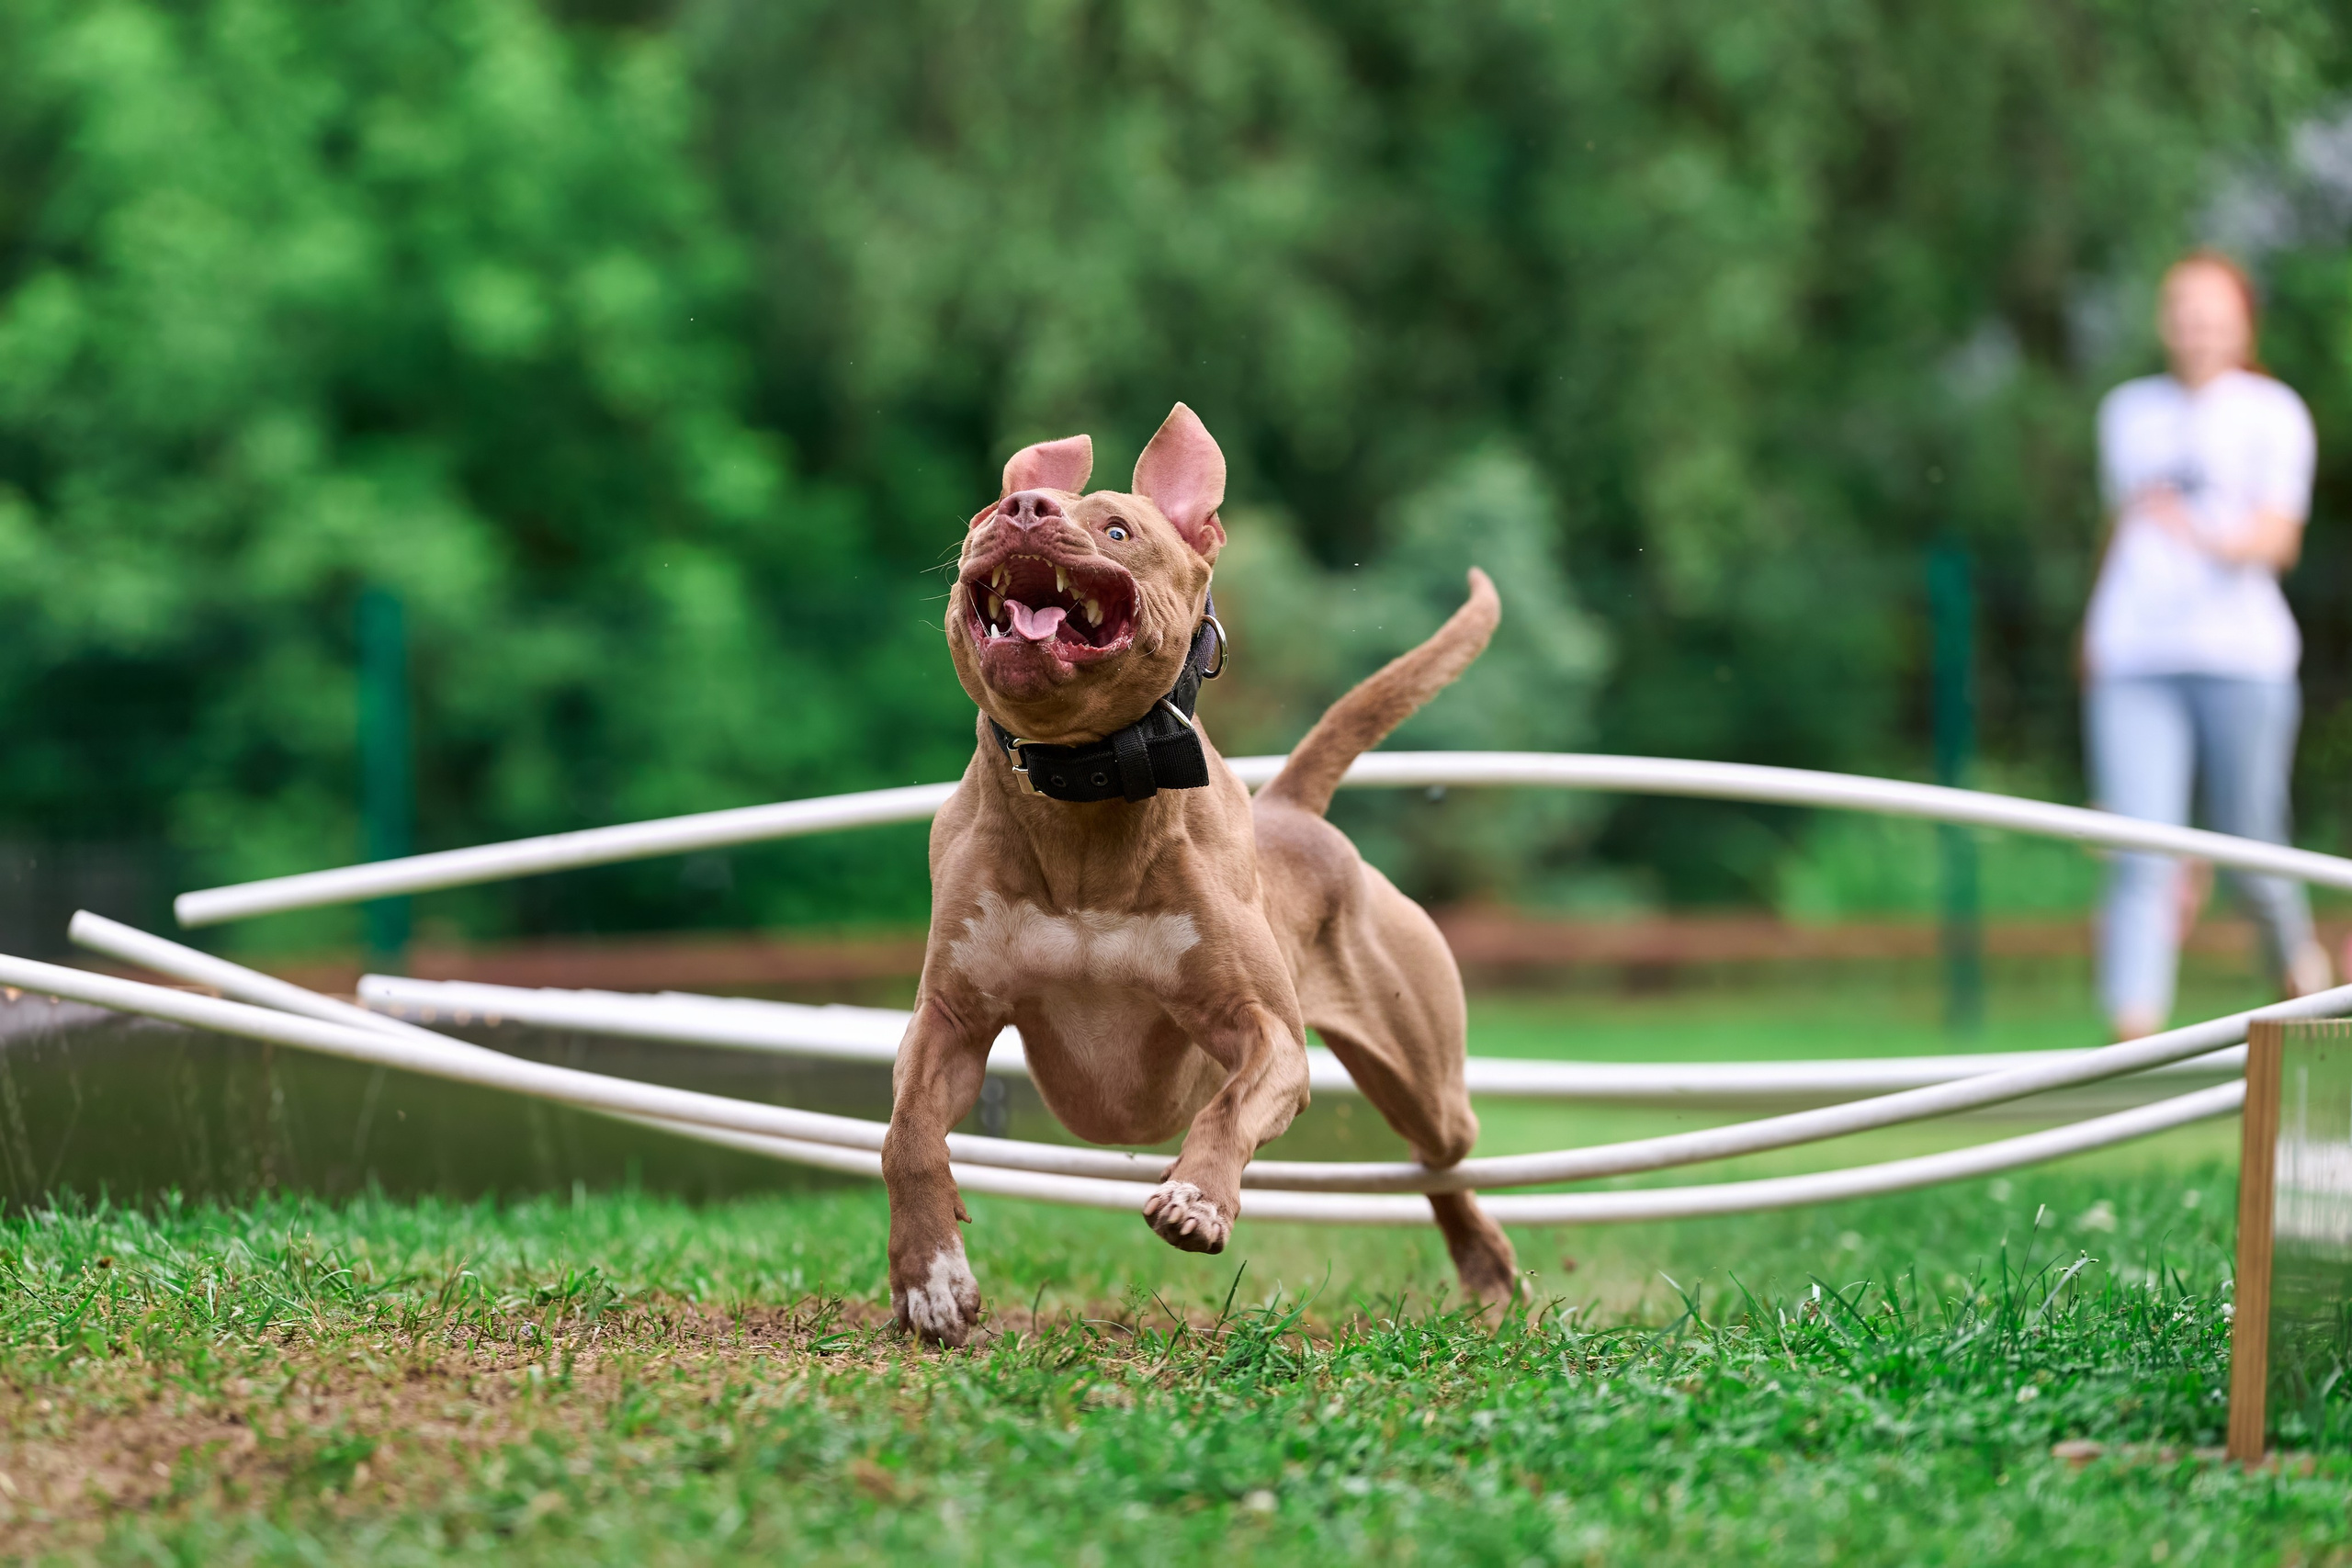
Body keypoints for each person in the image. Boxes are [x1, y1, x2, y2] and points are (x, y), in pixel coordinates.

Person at [2084, 250, 2333, 1041]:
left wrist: (2202, 534)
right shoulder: (2126, 411)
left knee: (2255, 848)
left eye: (2210, 313)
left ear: (2240, 323)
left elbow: (2279, 536)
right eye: (2181, 311)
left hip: (2242, 658)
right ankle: (2132, 1044)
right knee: (2138, 848)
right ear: (2165, 321)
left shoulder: (2273, 412)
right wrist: (2094, 628)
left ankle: (2303, 985)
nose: (2194, 328)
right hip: (2135, 658)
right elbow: (2117, 530)